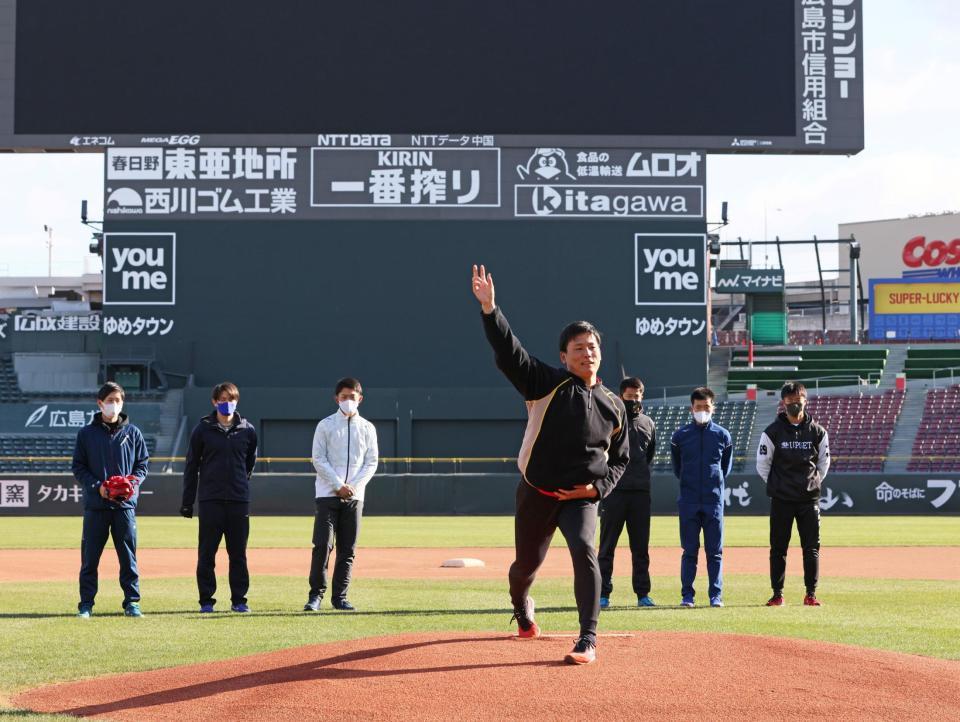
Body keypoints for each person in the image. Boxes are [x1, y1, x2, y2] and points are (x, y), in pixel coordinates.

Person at [471, 264, 629, 665]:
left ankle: (588, 638)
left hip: (581, 497)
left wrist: (597, 490)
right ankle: (522, 605)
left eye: (592, 347)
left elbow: (621, 459)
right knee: (526, 566)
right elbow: (511, 353)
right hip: (537, 493)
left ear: (600, 353)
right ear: (564, 356)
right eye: (578, 348)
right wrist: (491, 310)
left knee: (584, 549)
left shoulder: (614, 405)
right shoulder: (545, 383)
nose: (587, 353)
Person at [72, 381, 150, 618]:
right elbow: (79, 467)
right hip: (96, 506)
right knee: (90, 559)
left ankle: (132, 602)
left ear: (122, 403)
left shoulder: (133, 433)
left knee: (128, 557)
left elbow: (142, 465)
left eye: (117, 401)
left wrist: (131, 484)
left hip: (124, 506)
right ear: (100, 403)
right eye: (109, 401)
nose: (113, 405)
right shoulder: (86, 434)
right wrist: (99, 488)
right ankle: (86, 604)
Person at [180, 382, 258, 613]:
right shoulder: (202, 429)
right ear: (214, 402)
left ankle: (239, 600)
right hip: (210, 500)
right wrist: (187, 501)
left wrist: (239, 484)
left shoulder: (247, 430)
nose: (227, 403)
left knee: (238, 554)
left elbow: (249, 463)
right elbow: (191, 466)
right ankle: (206, 600)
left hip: (238, 500)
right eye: (223, 399)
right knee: (207, 552)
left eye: (231, 398)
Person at [304, 377, 379, 612]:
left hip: (354, 497)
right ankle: (316, 596)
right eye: (344, 396)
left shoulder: (367, 428)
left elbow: (372, 462)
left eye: (352, 397)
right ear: (336, 398)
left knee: (348, 549)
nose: (348, 401)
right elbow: (319, 458)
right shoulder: (325, 425)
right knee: (322, 545)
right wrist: (338, 485)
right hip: (327, 494)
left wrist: (354, 486)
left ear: (360, 399)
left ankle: (340, 597)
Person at [756, 381, 830, 607]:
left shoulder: (818, 432)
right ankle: (777, 594)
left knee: (812, 548)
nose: (794, 407)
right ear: (783, 403)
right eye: (790, 403)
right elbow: (762, 465)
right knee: (778, 548)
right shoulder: (772, 432)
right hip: (782, 500)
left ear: (805, 401)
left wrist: (811, 484)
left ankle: (811, 594)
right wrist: (779, 485)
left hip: (809, 500)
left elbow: (823, 463)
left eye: (798, 402)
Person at [598, 377, 657, 609]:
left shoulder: (648, 423)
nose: (634, 400)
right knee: (607, 546)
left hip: (640, 492)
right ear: (621, 396)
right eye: (630, 396)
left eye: (638, 395)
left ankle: (643, 594)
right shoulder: (610, 419)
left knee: (640, 548)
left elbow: (648, 455)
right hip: (614, 491)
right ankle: (602, 594)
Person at [670, 386, 732, 608]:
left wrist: (713, 483)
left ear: (713, 407)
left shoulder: (723, 435)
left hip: (713, 501)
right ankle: (687, 595)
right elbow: (678, 468)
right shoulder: (680, 436)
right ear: (691, 408)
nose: (702, 410)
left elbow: (726, 468)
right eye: (698, 407)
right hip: (688, 501)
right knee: (689, 551)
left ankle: (716, 595)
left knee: (715, 552)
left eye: (706, 407)